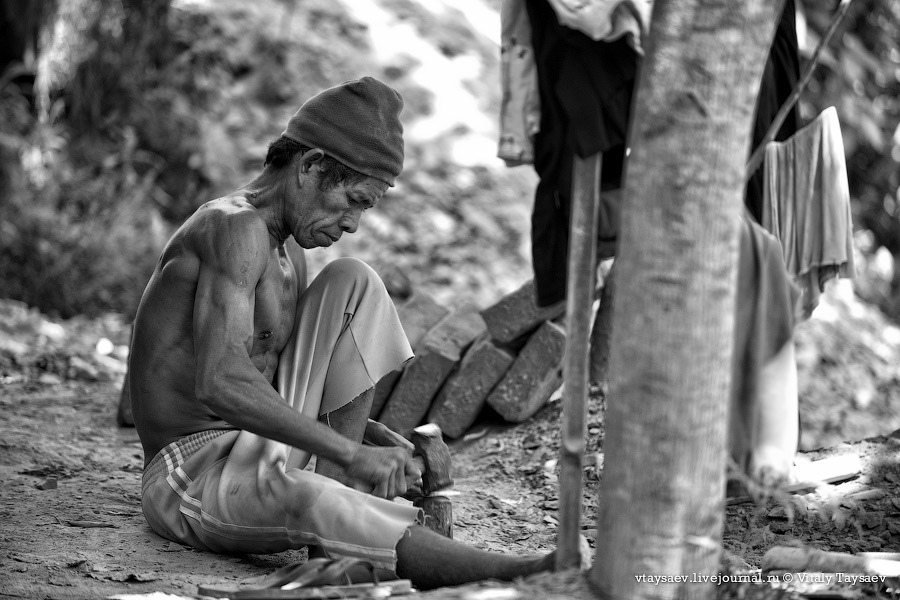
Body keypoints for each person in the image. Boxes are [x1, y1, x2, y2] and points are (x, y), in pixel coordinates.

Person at [130, 77, 559, 591]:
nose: (352, 222)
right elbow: (219, 381)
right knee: (316, 500)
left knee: (354, 279)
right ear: (309, 166)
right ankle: (521, 575)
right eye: (351, 200)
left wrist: (373, 439)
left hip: (251, 450)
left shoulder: (288, 252)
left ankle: (341, 501)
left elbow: (274, 382)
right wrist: (351, 453)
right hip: (189, 476)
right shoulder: (232, 227)